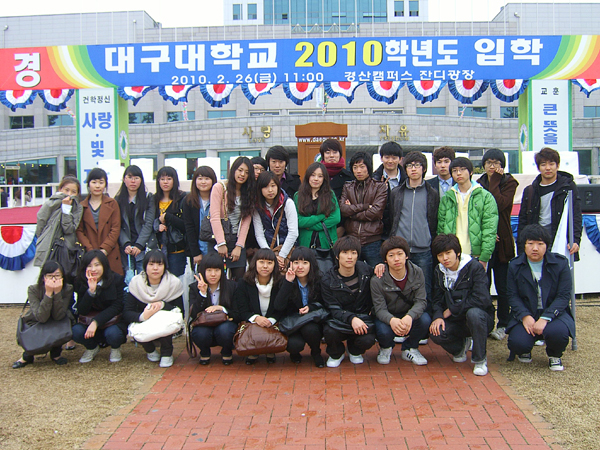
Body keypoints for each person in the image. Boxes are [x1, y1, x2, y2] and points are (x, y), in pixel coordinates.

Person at [506, 225, 574, 371]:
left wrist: (545, 318)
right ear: (524, 245)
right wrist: (524, 316)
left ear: (547, 245)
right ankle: (525, 349)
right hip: (528, 312)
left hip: (552, 313)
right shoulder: (514, 265)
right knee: (517, 342)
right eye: (530, 243)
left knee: (558, 333)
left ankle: (554, 355)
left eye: (540, 244)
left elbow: (563, 296)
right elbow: (512, 295)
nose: (535, 248)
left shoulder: (560, 264)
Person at [429, 234, 495, 376]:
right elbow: (437, 298)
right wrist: (438, 316)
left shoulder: (474, 267)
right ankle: (460, 348)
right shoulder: (439, 271)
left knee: (474, 314)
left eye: (448, 253)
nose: (445, 258)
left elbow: (482, 299)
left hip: (480, 318)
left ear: (458, 252)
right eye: (440, 255)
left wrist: (452, 309)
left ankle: (480, 360)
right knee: (436, 330)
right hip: (456, 320)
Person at [477, 149, 519, 341]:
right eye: (489, 163)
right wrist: (487, 233)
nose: (492, 166)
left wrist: (494, 181)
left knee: (503, 287)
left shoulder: (509, 182)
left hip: (503, 242)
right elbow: (477, 211)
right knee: (484, 286)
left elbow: (499, 204)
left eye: (496, 163)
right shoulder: (478, 183)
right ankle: (486, 323)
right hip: (485, 242)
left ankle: (503, 324)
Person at [371, 236, 431, 366]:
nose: (396, 259)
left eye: (400, 254)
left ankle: (410, 348)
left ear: (406, 256)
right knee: (382, 330)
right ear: (385, 259)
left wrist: (410, 316)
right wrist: (392, 320)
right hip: (388, 315)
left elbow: (421, 301)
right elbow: (379, 309)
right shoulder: (377, 279)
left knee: (425, 320)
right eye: (391, 255)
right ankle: (386, 348)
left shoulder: (417, 272)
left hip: (408, 314)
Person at [389, 151, 439, 301]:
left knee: (424, 288)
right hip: (400, 250)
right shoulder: (396, 192)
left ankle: (425, 315)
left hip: (423, 249)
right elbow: (392, 217)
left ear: (424, 168)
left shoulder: (432, 193)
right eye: (410, 166)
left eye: (417, 165)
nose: (414, 169)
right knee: (400, 288)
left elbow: (433, 219)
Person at [517, 147, 582, 260]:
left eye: (551, 164)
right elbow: (523, 220)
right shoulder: (530, 190)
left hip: (561, 239)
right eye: (543, 164)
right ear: (538, 167)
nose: (548, 168)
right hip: (537, 239)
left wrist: (575, 240)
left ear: (558, 165)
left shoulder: (568, 187)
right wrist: (522, 247)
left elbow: (575, 214)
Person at [321, 236, 376, 367]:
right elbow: (333, 308)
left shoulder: (367, 271)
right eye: (345, 253)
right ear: (337, 256)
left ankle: (354, 351)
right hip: (338, 320)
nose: (349, 257)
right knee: (329, 332)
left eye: (353, 253)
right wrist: (351, 319)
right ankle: (336, 353)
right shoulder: (327, 279)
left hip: (361, 318)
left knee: (368, 339)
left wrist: (380, 267)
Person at [124, 250, 184, 368]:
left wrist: (162, 305)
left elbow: (180, 310)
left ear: (165, 266)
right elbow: (127, 312)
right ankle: (150, 350)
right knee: (137, 326)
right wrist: (143, 316)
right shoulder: (136, 283)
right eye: (151, 264)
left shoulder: (174, 283)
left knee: (164, 319)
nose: (155, 268)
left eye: (159, 264)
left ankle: (167, 353)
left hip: (165, 324)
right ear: (145, 266)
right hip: (143, 321)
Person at [437, 157, 498, 269]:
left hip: (476, 255)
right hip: (453, 255)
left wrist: (484, 257)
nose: (458, 173)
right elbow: (441, 228)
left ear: (471, 172)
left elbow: (489, 230)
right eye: (454, 171)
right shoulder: (447, 198)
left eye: (462, 169)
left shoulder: (485, 197)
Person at [12, 261, 74, 368]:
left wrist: (57, 293)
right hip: (36, 319)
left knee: (61, 322)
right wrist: (48, 294)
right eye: (50, 276)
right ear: (43, 277)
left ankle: (56, 354)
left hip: (57, 319)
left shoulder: (68, 289)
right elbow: (41, 317)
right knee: (36, 328)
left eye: (57, 276)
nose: (54, 279)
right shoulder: (33, 289)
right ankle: (27, 355)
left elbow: (58, 315)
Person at [72, 250, 127, 363]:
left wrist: (96, 322)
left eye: (97, 265)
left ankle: (115, 348)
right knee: (76, 331)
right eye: (89, 266)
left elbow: (117, 307)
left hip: (112, 322)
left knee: (113, 334)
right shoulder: (81, 281)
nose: (93, 269)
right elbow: (82, 310)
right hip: (89, 324)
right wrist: (91, 291)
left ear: (104, 265)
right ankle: (92, 348)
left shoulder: (116, 279)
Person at [274, 247, 325, 367]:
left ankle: (316, 352)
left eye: (305, 263)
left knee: (311, 330)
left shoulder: (319, 280)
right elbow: (278, 306)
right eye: (296, 262)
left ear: (311, 264)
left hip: (312, 321)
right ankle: (295, 353)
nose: (300, 267)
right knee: (294, 345)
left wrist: (311, 307)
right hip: (293, 323)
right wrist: (288, 282)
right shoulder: (284, 280)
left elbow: (325, 303)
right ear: (291, 264)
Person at [232, 248, 283, 365]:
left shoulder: (280, 283)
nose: (265, 266)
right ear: (254, 263)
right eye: (261, 262)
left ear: (275, 265)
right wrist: (256, 318)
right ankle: (253, 349)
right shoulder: (244, 283)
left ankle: (271, 349)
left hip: (273, 324)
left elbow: (282, 308)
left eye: (269, 263)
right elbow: (242, 309)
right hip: (252, 325)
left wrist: (271, 320)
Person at [210, 157, 255, 281]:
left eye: (246, 172)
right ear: (233, 170)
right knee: (218, 279)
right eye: (240, 170)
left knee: (239, 280)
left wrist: (239, 246)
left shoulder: (249, 192)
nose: (242, 174)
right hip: (219, 240)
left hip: (237, 240)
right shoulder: (219, 187)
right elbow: (214, 217)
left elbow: (246, 221)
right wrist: (221, 243)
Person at [188, 253, 237, 365]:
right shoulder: (194, 288)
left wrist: (222, 309)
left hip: (225, 325)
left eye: (217, 270)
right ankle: (204, 352)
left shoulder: (232, 286)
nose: (213, 274)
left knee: (225, 330)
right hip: (204, 325)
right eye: (209, 270)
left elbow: (237, 312)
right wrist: (202, 294)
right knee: (200, 333)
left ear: (222, 271)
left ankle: (226, 350)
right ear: (203, 271)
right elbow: (194, 314)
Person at [340, 152, 387, 267]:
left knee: (376, 272)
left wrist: (352, 213)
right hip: (352, 240)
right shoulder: (348, 186)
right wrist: (365, 206)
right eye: (355, 167)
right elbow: (343, 210)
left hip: (373, 240)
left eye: (362, 167)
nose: (358, 171)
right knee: (353, 272)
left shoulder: (379, 186)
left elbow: (376, 212)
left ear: (368, 168)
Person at [76, 168, 123, 275]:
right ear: (88, 184)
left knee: (111, 280)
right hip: (89, 252)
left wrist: (104, 249)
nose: (97, 186)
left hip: (109, 252)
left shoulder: (112, 203)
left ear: (105, 184)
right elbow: (79, 231)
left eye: (101, 182)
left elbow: (115, 228)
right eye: (94, 182)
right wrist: (91, 251)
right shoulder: (81, 206)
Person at [253, 171, 299, 273]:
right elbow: (259, 235)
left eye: (273, 186)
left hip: (289, 251)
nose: (270, 190)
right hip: (269, 252)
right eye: (266, 187)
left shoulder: (288, 203)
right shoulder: (257, 207)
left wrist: (282, 256)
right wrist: (270, 256)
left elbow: (293, 232)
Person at [34, 175, 83, 270]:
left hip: (67, 249)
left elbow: (68, 229)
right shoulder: (50, 203)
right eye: (66, 190)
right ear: (60, 189)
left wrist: (66, 209)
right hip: (48, 245)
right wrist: (42, 239)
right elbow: (41, 221)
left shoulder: (77, 208)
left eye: (73, 192)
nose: (69, 194)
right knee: (48, 273)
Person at [115, 165, 156, 274]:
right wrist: (126, 243)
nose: (133, 181)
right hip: (126, 249)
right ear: (124, 180)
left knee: (144, 278)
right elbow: (117, 225)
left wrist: (139, 245)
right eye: (130, 177)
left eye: (136, 178)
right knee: (128, 279)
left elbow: (148, 223)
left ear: (141, 180)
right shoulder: (118, 200)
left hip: (144, 247)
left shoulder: (148, 198)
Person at [295, 162, 341, 251]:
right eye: (313, 175)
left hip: (326, 245)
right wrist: (321, 217)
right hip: (305, 244)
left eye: (320, 176)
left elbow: (335, 218)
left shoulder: (330, 195)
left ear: (324, 179)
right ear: (308, 176)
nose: (316, 179)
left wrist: (310, 226)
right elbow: (298, 221)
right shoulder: (298, 196)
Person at [154, 166, 188, 278]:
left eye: (169, 179)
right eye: (162, 179)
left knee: (175, 282)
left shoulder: (182, 199)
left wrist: (168, 217)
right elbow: (148, 222)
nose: (165, 182)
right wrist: (157, 225)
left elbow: (185, 225)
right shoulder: (153, 200)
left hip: (176, 249)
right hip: (158, 249)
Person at [183, 166, 218, 268]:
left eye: (207, 179)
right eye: (200, 178)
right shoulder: (188, 200)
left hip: (216, 248)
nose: (203, 182)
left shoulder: (220, 199)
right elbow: (189, 228)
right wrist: (195, 253)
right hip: (198, 249)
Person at [372, 141, 406, 238]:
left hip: (403, 231)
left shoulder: (407, 180)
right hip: (380, 232)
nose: (390, 161)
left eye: (394, 158)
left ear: (400, 159)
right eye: (387, 157)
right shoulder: (373, 180)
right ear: (381, 158)